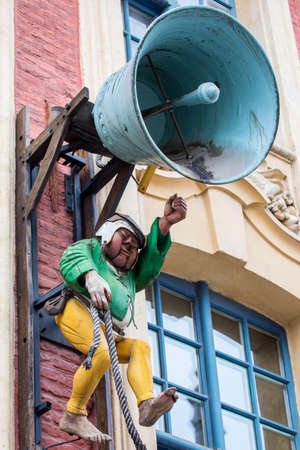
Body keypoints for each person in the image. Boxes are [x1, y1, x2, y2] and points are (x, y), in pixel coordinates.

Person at [56, 193, 187, 443]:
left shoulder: (131, 276)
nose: (129, 245)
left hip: (107, 329)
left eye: (134, 246)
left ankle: (146, 403)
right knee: (102, 354)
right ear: (107, 234)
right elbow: (73, 256)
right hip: (77, 308)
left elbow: (151, 262)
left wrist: (166, 224)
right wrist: (90, 276)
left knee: (140, 347)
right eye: (124, 237)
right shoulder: (93, 250)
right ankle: (73, 414)